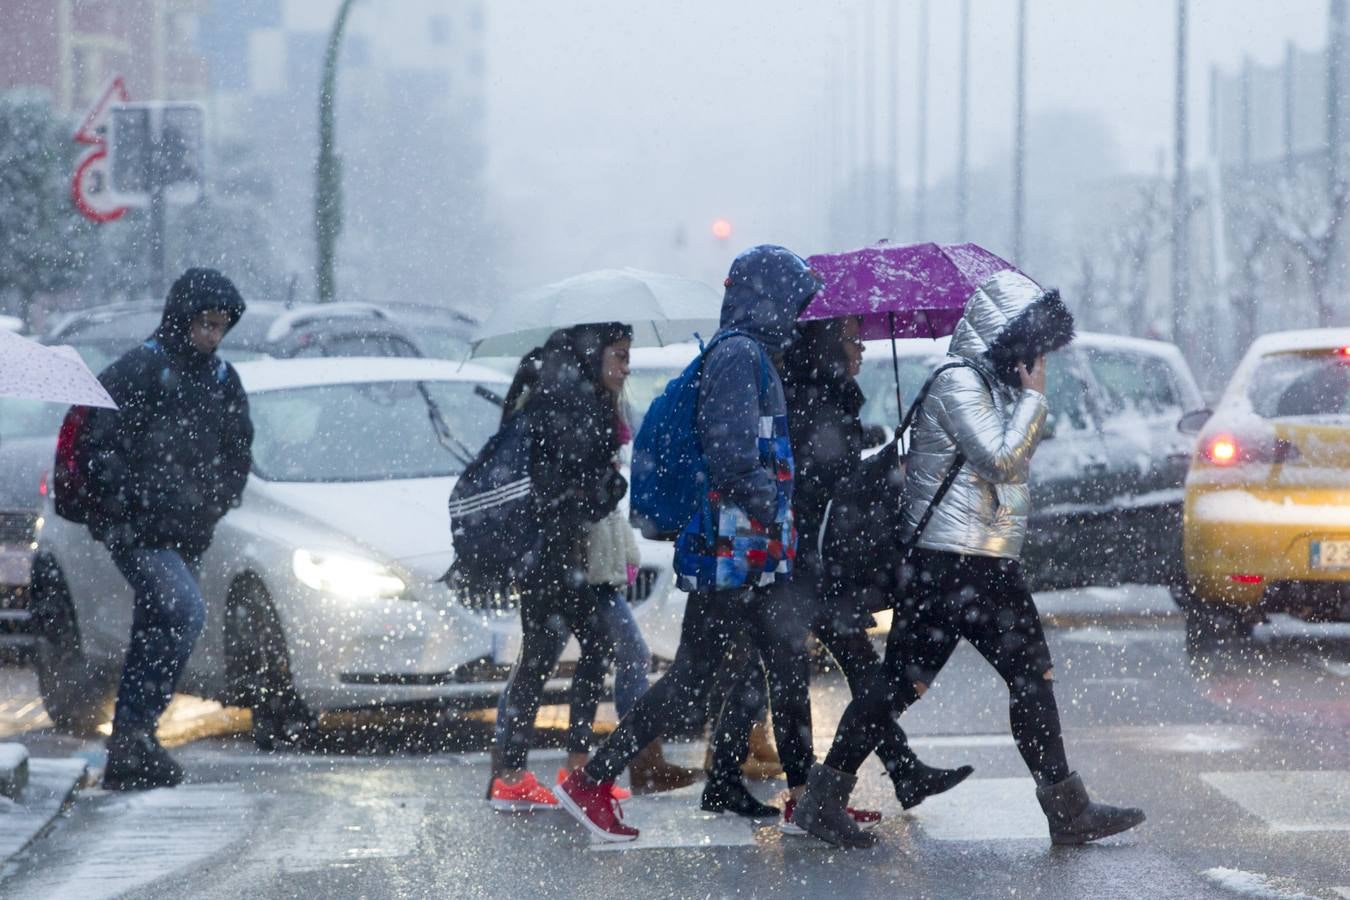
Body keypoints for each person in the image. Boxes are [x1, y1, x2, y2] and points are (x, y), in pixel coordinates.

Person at [796, 273, 1146, 848]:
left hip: (980, 561)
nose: (1036, 359)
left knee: (1001, 679)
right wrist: (1034, 397)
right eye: (1030, 344)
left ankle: (1067, 807)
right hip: (951, 566)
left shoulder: (990, 385)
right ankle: (824, 798)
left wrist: (1024, 398)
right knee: (922, 684)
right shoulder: (959, 383)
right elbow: (1003, 459)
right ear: (1006, 337)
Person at [555, 244, 821, 843]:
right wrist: (771, 505)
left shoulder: (751, 354)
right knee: (692, 682)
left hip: (750, 550)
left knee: (783, 666)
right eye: (792, 301)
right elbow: (730, 456)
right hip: (733, 552)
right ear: (768, 298)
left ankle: (807, 799)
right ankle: (592, 780)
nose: (798, 314)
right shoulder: (738, 356)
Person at [765, 316, 971, 833]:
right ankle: (802, 795)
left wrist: (882, 458)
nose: (861, 347)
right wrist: (881, 463)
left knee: (856, 663)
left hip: (812, 558)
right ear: (830, 343)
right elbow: (821, 484)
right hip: (799, 558)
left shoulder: (828, 390)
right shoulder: (815, 395)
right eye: (853, 337)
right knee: (791, 674)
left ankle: (901, 773)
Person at [488, 324, 699, 811]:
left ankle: (570, 769)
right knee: (550, 659)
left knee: (591, 653)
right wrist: (605, 486)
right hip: (552, 562)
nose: (626, 368)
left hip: (572, 562)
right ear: (592, 355)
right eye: (620, 356)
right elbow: (563, 494)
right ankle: (516, 774)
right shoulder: (561, 412)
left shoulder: (583, 406)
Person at [83, 268, 253, 790]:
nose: (212, 335)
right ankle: (136, 738)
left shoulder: (222, 380)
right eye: (205, 323)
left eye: (221, 326)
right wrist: (128, 507)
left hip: (186, 530)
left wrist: (211, 505)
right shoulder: (139, 370)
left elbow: (237, 451)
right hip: (141, 532)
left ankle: (132, 743)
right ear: (183, 318)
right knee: (183, 613)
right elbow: (99, 445)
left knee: (157, 627)